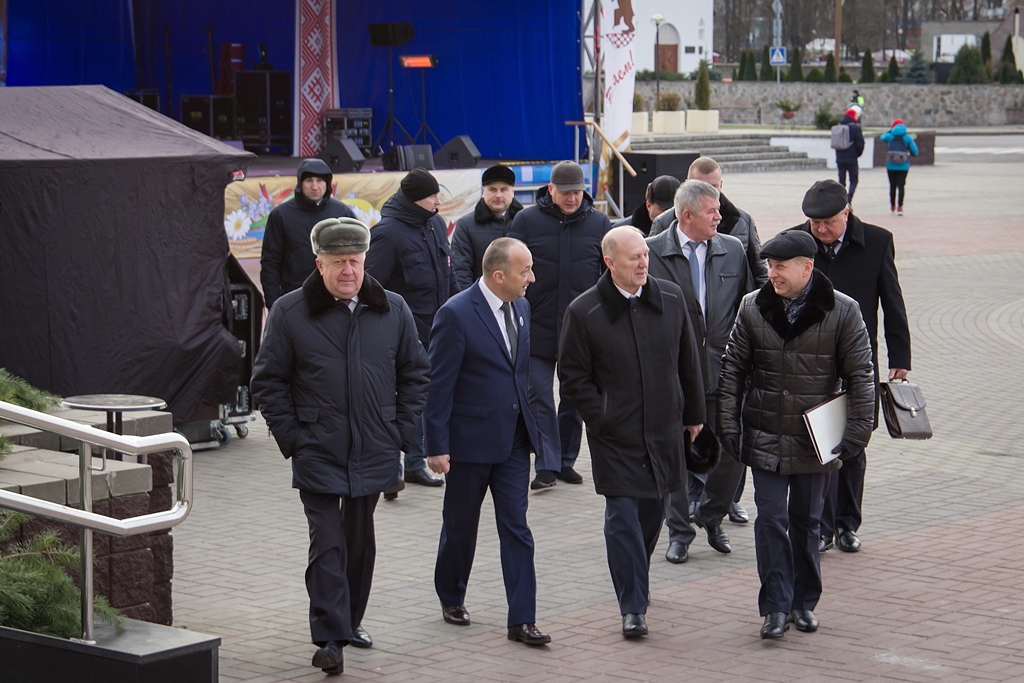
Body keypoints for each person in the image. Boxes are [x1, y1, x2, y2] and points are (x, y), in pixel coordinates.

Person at [251, 217, 429, 674]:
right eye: (338, 262)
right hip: (318, 448)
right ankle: (330, 637)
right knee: (327, 543)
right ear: (319, 263)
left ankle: (350, 622)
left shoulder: (393, 309)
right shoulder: (291, 312)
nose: (348, 270)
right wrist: (293, 438)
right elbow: (267, 381)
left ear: (365, 261)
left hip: (375, 446)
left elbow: (415, 374)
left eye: (355, 261)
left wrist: (400, 434)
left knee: (358, 543)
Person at [717, 229, 875, 640]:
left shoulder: (844, 311)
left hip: (816, 439)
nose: (772, 273)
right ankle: (774, 606)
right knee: (770, 519)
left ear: (807, 267)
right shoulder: (753, 306)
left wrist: (857, 431)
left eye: (780, 266)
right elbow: (733, 368)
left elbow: (861, 374)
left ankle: (803, 602)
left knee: (806, 523)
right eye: (769, 266)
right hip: (765, 433)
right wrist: (729, 424)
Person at [558, 226, 706, 638]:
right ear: (609, 262)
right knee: (621, 516)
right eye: (633, 258)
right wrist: (602, 415)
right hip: (615, 437)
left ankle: (634, 578)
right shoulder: (584, 311)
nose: (643, 263)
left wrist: (694, 414)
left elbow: (688, 361)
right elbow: (571, 377)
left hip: (663, 430)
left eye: (644, 255)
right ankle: (633, 606)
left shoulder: (671, 298)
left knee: (651, 513)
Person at [423, 237, 552, 646]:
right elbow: (438, 387)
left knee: (517, 527)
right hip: (468, 442)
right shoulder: (456, 315)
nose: (531, 278)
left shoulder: (524, 307)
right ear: (499, 276)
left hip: (514, 441)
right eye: (524, 271)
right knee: (461, 526)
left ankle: (522, 619)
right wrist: (435, 445)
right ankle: (451, 594)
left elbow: (521, 376)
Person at [794, 180, 912, 554]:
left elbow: (892, 302)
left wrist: (900, 359)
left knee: (853, 449)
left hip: (858, 364)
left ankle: (847, 524)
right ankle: (823, 527)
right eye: (814, 223)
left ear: (847, 212)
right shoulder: (797, 242)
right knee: (820, 448)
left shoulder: (876, 242)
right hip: (809, 365)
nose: (821, 230)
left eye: (828, 222)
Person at [649, 156, 767, 522]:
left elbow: (750, 305)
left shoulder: (732, 248)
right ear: (686, 216)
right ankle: (679, 528)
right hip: (674, 374)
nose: (720, 216)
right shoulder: (651, 251)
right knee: (676, 451)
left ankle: (712, 516)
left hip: (723, 369)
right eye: (712, 211)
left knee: (733, 447)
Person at [507, 161, 612, 489]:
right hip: (535, 324)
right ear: (550, 190)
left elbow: (607, 272)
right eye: (565, 192)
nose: (572, 198)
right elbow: (511, 266)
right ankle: (547, 462)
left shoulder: (599, 223)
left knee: (574, 396)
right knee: (537, 393)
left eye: (578, 192)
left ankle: (566, 459)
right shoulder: (526, 220)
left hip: (581, 329)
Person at [365, 168, 460, 492]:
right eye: (433, 196)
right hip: (400, 332)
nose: (438, 201)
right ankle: (390, 471)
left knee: (424, 397)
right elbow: (372, 286)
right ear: (415, 199)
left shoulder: (433, 223)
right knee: (397, 400)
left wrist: (459, 310)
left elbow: (448, 274)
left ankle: (417, 463)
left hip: (437, 327)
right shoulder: (387, 233)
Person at [260, 158, 355, 311]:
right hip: (295, 298)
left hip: (335, 298)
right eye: (309, 180)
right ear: (300, 183)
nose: (315, 186)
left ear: (328, 183)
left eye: (320, 180)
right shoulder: (281, 215)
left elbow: (357, 257)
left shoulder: (342, 213)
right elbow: (270, 262)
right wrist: (273, 303)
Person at [451, 165, 524, 290]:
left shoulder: (525, 222)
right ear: (483, 192)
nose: (498, 195)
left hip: (519, 299)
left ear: (512, 191)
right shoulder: (466, 225)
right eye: (493, 190)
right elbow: (460, 270)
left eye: (504, 189)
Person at [613, 175, 679, 236]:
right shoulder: (621, 232)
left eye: (674, 210)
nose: (669, 214)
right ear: (649, 206)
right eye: (664, 210)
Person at [879, 119, 918, 215]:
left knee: (892, 186)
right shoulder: (907, 138)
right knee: (901, 186)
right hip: (903, 166)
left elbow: (882, 137)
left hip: (891, 165)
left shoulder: (890, 136)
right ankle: (900, 207)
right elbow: (915, 152)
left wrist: (890, 130)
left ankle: (892, 206)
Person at [835, 108, 866, 204]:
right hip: (852, 158)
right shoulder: (855, 128)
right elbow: (860, 143)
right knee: (854, 179)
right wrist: (857, 154)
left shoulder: (839, 127)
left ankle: (841, 199)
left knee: (841, 180)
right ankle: (849, 197)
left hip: (840, 158)